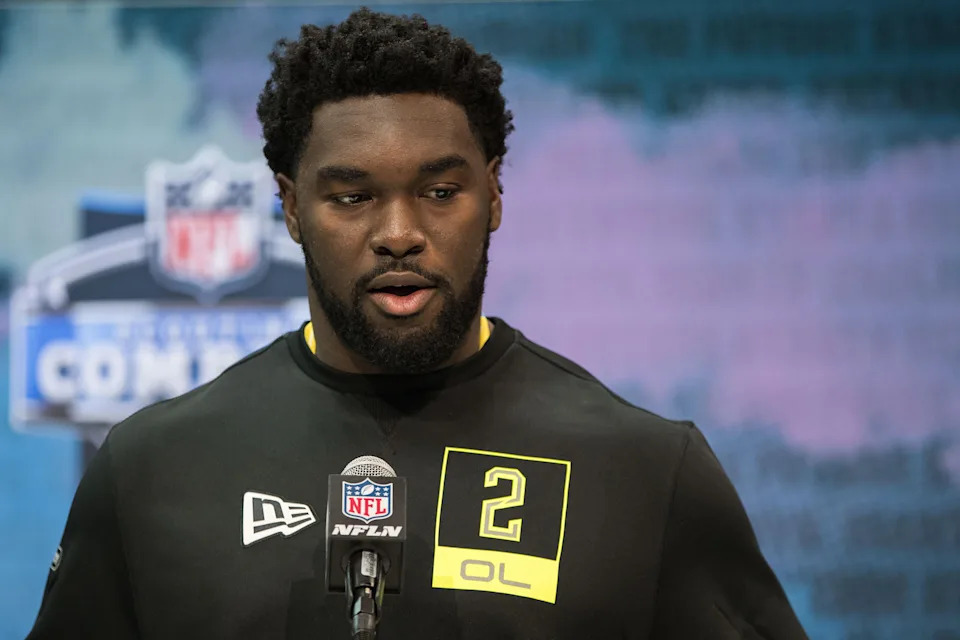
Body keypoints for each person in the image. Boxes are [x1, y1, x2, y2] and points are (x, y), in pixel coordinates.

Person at [27, 8, 808, 640]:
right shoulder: (154, 467)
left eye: (439, 192)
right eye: (352, 196)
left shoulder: (645, 471)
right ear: (292, 207)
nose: (399, 231)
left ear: (494, 197)